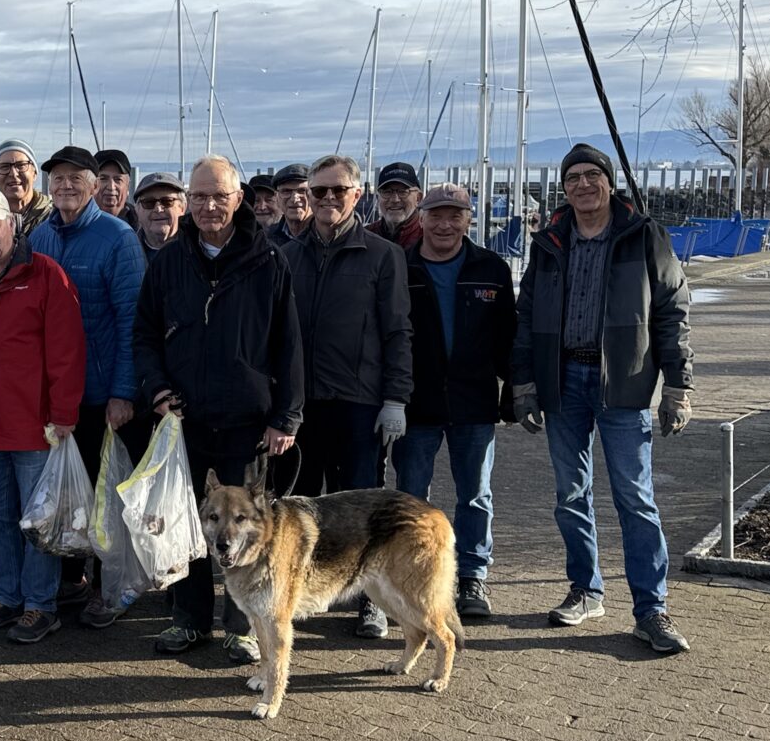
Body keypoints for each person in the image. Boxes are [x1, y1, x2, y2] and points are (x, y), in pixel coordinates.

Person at [513, 143, 694, 654]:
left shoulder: (644, 235)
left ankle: (651, 609)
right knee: (570, 495)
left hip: (624, 386)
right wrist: (523, 384)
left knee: (635, 498)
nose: (583, 184)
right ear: (564, 189)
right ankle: (586, 590)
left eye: (592, 174)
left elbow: (673, 312)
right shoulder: (548, 241)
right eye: (573, 177)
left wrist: (678, 386)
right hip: (562, 382)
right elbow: (526, 316)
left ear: (609, 182)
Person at [134, 156, 303, 660]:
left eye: (220, 196)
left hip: (247, 422)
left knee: (246, 528)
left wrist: (286, 416)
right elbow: (144, 335)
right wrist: (156, 390)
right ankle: (188, 620)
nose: (210, 206)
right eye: (200, 196)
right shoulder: (169, 261)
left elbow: (290, 345)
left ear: (238, 200)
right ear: (188, 201)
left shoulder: (269, 260)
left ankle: (241, 627)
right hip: (183, 420)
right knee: (186, 523)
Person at [280, 153, 412, 639]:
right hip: (302, 405)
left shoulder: (382, 255)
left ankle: (369, 600)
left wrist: (396, 398)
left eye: (339, 190)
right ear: (308, 196)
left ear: (357, 195)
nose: (329, 198)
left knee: (360, 506)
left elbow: (398, 331)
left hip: (360, 402)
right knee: (300, 504)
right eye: (320, 191)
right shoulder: (286, 256)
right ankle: (300, 589)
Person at [0, 190, 85, 644]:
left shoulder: (45, 274)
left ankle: (40, 604)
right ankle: (5, 595)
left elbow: (67, 350)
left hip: (35, 426)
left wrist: (63, 414)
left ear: (12, 224)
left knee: (37, 521)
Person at [27, 144, 148, 623]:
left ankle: (108, 585)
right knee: (67, 494)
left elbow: (132, 321)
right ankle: (71, 576)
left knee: (106, 495)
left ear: (95, 186)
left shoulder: (118, 238)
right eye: (57, 178)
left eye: (76, 178)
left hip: (101, 393)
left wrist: (123, 392)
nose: (65, 186)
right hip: (57, 395)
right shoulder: (39, 236)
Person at [393, 184, 515, 620]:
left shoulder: (492, 268)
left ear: (468, 219)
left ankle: (472, 576)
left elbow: (508, 337)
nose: (445, 225)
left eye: (455, 215)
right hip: (416, 403)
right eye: (436, 215)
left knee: (475, 495)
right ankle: (413, 576)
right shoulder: (400, 265)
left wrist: (514, 392)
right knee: (410, 497)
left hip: (474, 402)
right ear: (421, 218)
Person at [0, 140, 54, 235]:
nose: (13, 173)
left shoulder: (55, 218)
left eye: (21, 165)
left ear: (34, 173)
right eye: (4, 167)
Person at [133, 171, 187, 262]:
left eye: (167, 201)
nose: (158, 209)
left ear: (182, 207)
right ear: (137, 210)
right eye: (149, 202)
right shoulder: (124, 251)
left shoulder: (199, 250)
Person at [368, 162, 424, 248]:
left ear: (418, 198)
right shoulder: (365, 236)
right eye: (387, 192)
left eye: (403, 192)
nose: (395, 200)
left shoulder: (428, 236)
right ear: (378, 198)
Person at [267, 163, 312, 244]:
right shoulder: (267, 238)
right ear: (276, 197)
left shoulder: (325, 235)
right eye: (286, 191)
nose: (294, 199)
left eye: (302, 191)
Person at [94, 148, 139, 229]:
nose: (111, 187)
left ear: (128, 185)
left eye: (118, 179)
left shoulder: (144, 226)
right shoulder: (74, 225)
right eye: (103, 179)